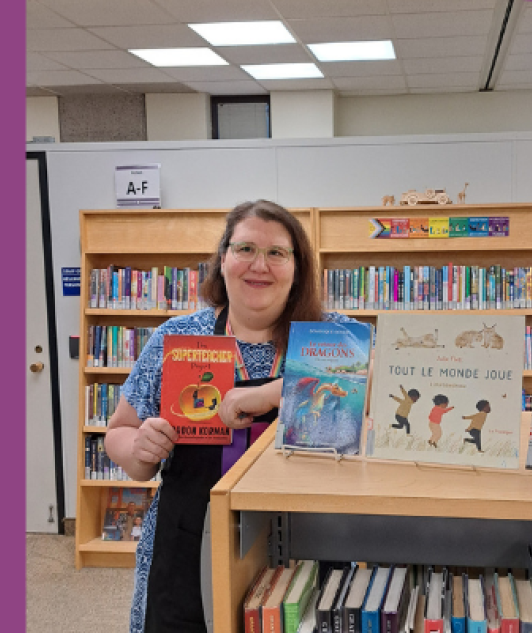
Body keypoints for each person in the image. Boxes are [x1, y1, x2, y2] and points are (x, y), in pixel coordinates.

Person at [103, 200, 357, 633]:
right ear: (223, 259)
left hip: (311, 542)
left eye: (277, 252)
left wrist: (272, 392)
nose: (260, 265)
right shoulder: (177, 336)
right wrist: (140, 450)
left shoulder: (332, 335)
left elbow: (369, 389)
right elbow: (119, 432)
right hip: (190, 543)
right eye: (245, 249)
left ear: (298, 267)